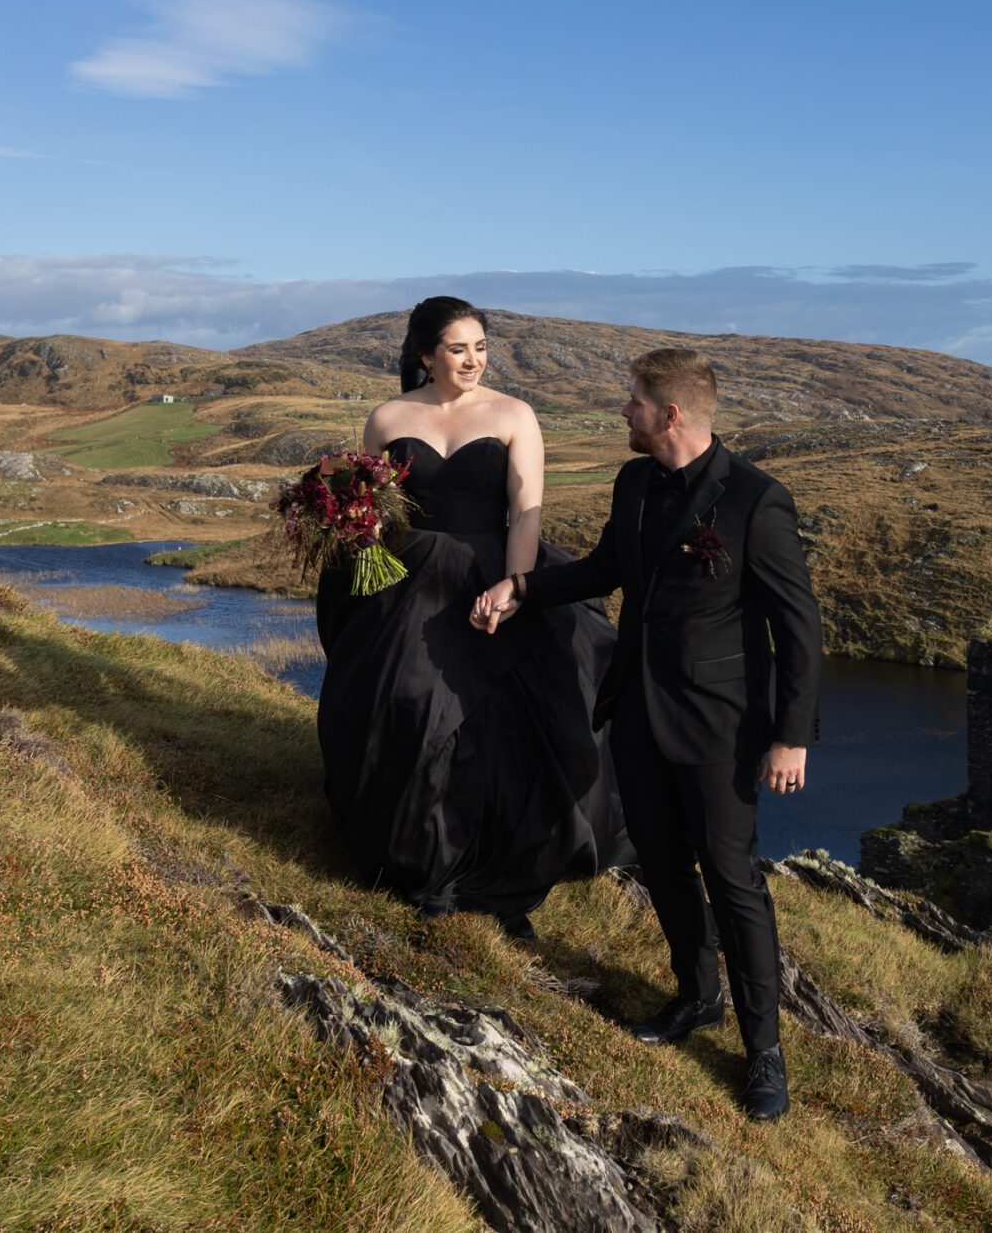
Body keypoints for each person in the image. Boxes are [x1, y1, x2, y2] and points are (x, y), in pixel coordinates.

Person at [474, 348, 821, 1122]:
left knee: (734, 884)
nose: (621, 412)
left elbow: (799, 631)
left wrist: (791, 738)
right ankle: (697, 996)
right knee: (662, 863)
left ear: (670, 414)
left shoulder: (757, 503)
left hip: (722, 730)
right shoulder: (633, 483)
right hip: (636, 714)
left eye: (632, 401)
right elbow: (603, 570)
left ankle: (763, 1050)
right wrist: (521, 587)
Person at [312, 296, 621, 938]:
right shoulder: (388, 417)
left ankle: (507, 878)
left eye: (481, 347)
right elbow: (374, 505)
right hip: (409, 584)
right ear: (425, 354)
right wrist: (347, 516)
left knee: (507, 724)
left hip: (494, 573)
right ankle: (422, 861)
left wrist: (515, 586)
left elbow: (527, 509)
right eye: (458, 349)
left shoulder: (515, 415)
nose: (473, 360)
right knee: (410, 709)